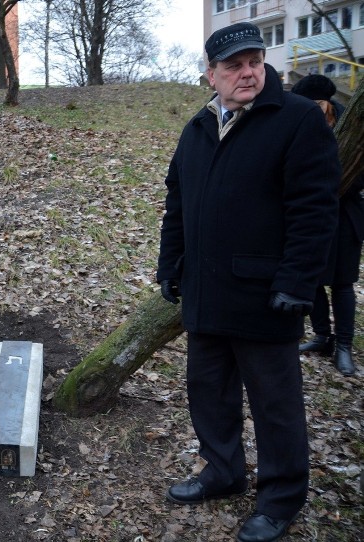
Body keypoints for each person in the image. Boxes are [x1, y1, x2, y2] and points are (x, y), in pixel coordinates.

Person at [157, 23, 340, 542]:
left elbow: (314, 210)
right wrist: (170, 266)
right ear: (211, 75)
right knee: (208, 391)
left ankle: (281, 498)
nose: (248, 73)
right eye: (234, 66)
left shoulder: (298, 119)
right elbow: (179, 205)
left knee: (275, 404)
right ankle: (222, 471)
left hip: (267, 296)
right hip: (205, 291)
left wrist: (298, 282)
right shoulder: (198, 127)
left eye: (254, 61)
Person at [291, 74, 363, 376]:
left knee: (343, 282)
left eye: (319, 104)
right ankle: (322, 337)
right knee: (315, 279)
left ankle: (344, 345)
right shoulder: (299, 125)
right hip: (312, 214)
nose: (315, 109)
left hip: (345, 214)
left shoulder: (350, 127)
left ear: (329, 103)